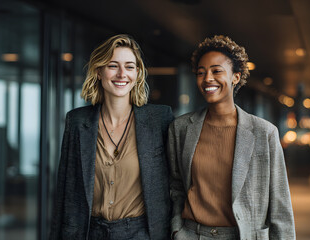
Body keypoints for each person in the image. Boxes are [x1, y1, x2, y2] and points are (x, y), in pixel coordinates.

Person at [168, 35, 295, 240]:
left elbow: (280, 206)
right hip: (191, 234)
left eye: (216, 71)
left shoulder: (265, 133)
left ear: (236, 77)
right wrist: (177, 229)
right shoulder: (180, 128)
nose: (208, 78)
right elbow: (175, 187)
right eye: (201, 73)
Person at [50, 34, 174, 240]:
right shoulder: (77, 121)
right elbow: (66, 190)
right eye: (113, 66)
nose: (122, 74)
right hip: (90, 232)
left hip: (142, 233)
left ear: (138, 73)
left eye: (130, 66)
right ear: (99, 71)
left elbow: (176, 184)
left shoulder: (159, 119)